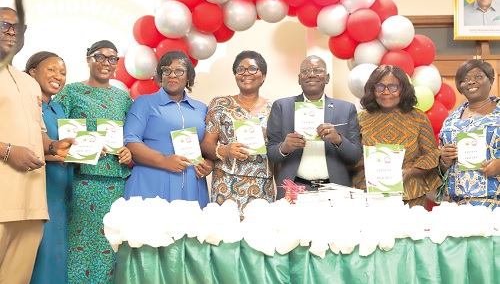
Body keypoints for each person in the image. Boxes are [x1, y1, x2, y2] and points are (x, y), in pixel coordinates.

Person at [0, 7, 74, 284]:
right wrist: (8, 151)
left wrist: (55, 146)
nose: (11, 32)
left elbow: (38, 132)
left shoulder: (29, 84)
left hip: (32, 203)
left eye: (18, 28)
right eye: (4, 25)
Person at [54, 40, 133, 283]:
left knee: (109, 244)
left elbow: (130, 136)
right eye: (100, 56)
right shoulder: (70, 93)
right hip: (82, 180)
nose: (106, 63)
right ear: (88, 59)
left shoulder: (123, 98)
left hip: (115, 182)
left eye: (112, 58)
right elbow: (58, 133)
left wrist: (129, 152)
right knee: (79, 243)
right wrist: (81, 152)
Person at [124, 50, 212, 208]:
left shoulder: (201, 109)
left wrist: (209, 164)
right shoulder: (144, 103)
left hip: (192, 184)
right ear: (160, 75)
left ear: (188, 77)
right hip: (151, 182)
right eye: (166, 70)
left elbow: (207, 145)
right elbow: (130, 141)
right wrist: (163, 160)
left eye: (179, 71)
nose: (172, 75)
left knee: (190, 231)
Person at [267, 55, 362, 199]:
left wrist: (338, 140)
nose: (311, 74)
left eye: (318, 70)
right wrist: (284, 147)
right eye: (306, 71)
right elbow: (271, 153)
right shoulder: (281, 106)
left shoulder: (346, 109)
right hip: (294, 190)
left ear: (327, 77)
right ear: (299, 78)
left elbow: (355, 155)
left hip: (334, 191)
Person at [351, 65, 441, 207]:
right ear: (372, 90)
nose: (386, 92)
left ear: (403, 89)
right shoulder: (361, 119)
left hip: (410, 195)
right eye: (379, 87)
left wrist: (410, 171)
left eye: (393, 87)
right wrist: (369, 161)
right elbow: (351, 156)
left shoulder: (418, 118)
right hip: (369, 196)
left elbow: (432, 154)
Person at [201, 50, 274, 219]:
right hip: (226, 185)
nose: (246, 73)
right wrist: (223, 151)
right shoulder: (220, 104)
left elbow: (277, 150)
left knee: (260, 240)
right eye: (240, 69)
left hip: (262, 185)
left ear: (263, 76)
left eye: (253, 69)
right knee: (226, 240)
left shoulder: (274, 108)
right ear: (235, 75)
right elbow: (206, 145)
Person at [25, 52, 73, 284]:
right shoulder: (24, 106)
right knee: (38, 255)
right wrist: (57, 155)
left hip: (61, 191)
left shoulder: (59, 110)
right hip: (36, 187)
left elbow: (61, 146)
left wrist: (88, 150)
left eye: (62, 73)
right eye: (52, 70)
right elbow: (26, 149)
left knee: (57, 253)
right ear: (32, 72)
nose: (58, 76)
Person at [438, 59, 500, 209]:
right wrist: (444, 161)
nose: (471, 82)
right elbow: (442, 168)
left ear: (491, 80)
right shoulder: (451, 120)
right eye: (464, 79)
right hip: (459, 206)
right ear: (459, 86)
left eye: (478, 77)